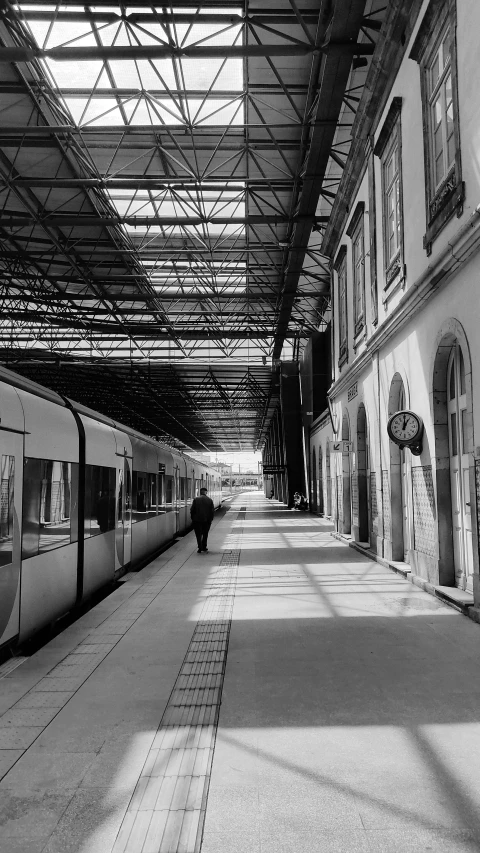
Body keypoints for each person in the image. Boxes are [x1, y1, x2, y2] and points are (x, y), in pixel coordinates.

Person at [190, 487, 215, 553]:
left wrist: (193, 519)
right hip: (206, 521)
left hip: (197, 521)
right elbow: (212, 511)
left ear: (200, 492)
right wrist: (210, 519)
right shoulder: (210, 500)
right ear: (206, 492)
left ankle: (199, 547)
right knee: (205, 534)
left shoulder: (196, 499)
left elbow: (192, 510)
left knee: (198, 534)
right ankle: (204, 546)